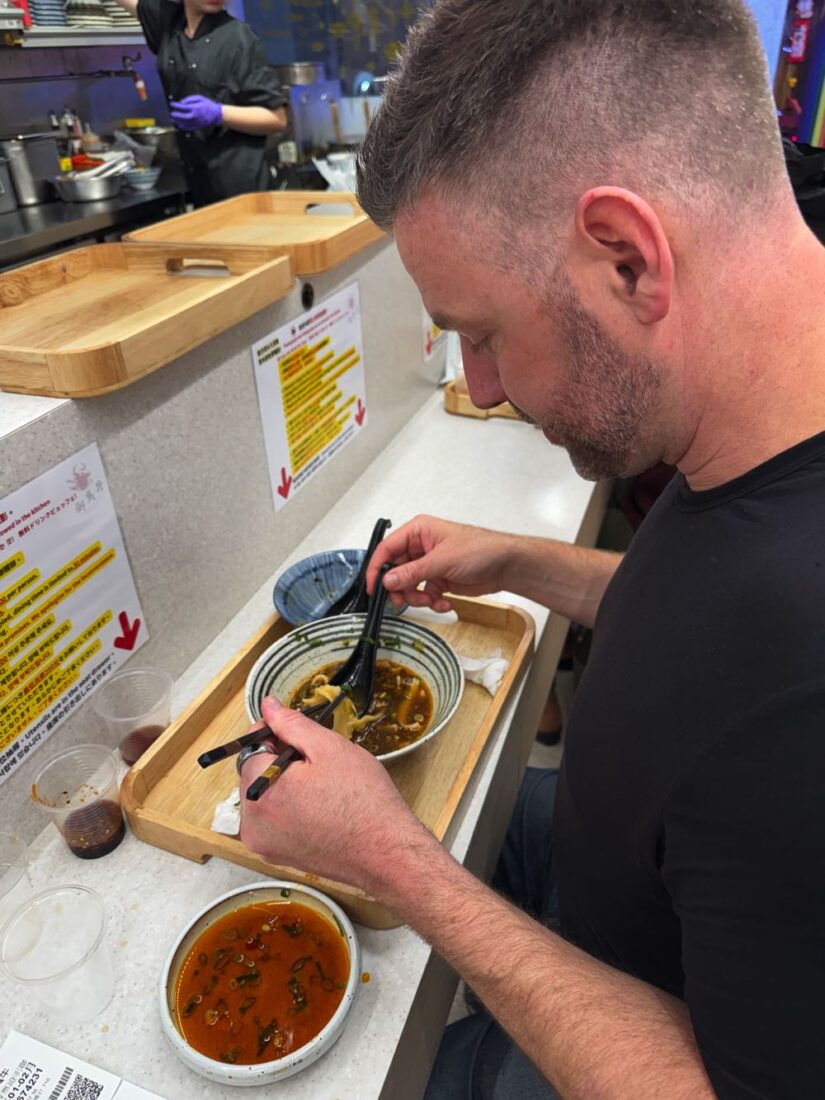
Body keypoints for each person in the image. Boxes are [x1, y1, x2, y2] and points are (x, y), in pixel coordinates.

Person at [239, 1, 825, 1096]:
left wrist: (398, 865)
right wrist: (515, 560)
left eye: (484, 331)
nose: (482, 387)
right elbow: (720, 625)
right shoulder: (760, 422)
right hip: (620, 857)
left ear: (626, 258)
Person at [114, 0, 287, 206]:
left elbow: (277, 119)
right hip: (200, 184)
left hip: (241, 189)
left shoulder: (239, 38)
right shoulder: (169, 23)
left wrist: (218, 113)